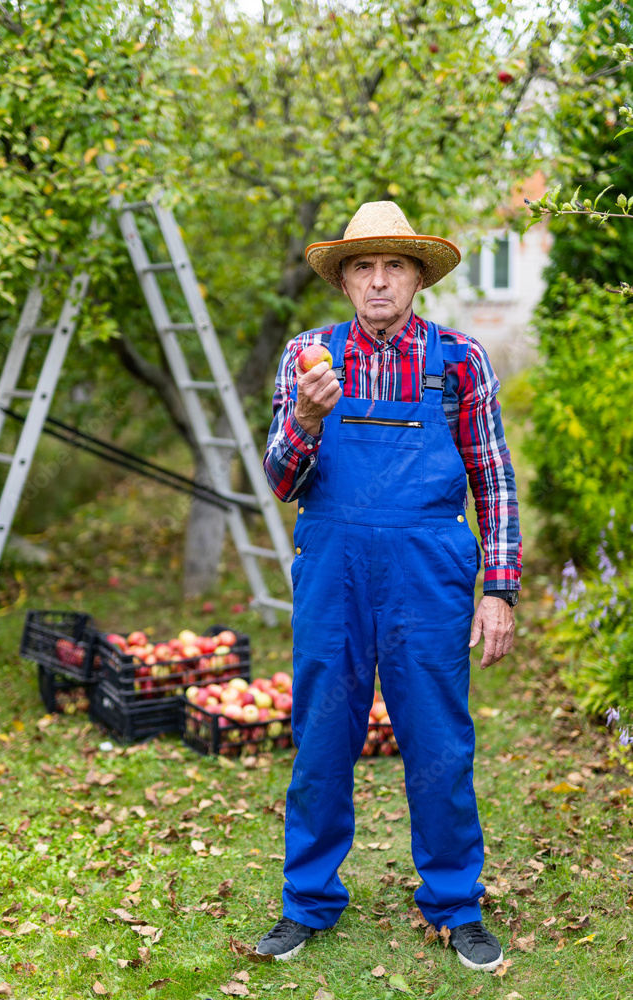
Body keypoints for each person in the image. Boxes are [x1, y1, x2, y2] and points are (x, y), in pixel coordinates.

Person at [258, 201, 522, 971]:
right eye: (363, 267)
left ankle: (454, 902)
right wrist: (305, 418)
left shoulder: (460, 362)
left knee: (440, 739)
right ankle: (307, 902)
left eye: (394, 266)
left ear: (417, 278)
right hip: (332, 571)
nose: (379, 281)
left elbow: (496, 481)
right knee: (321, 737)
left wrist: (499, 589)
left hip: (428, 575)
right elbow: (281, 479)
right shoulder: (308, 358)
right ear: (343, 281)